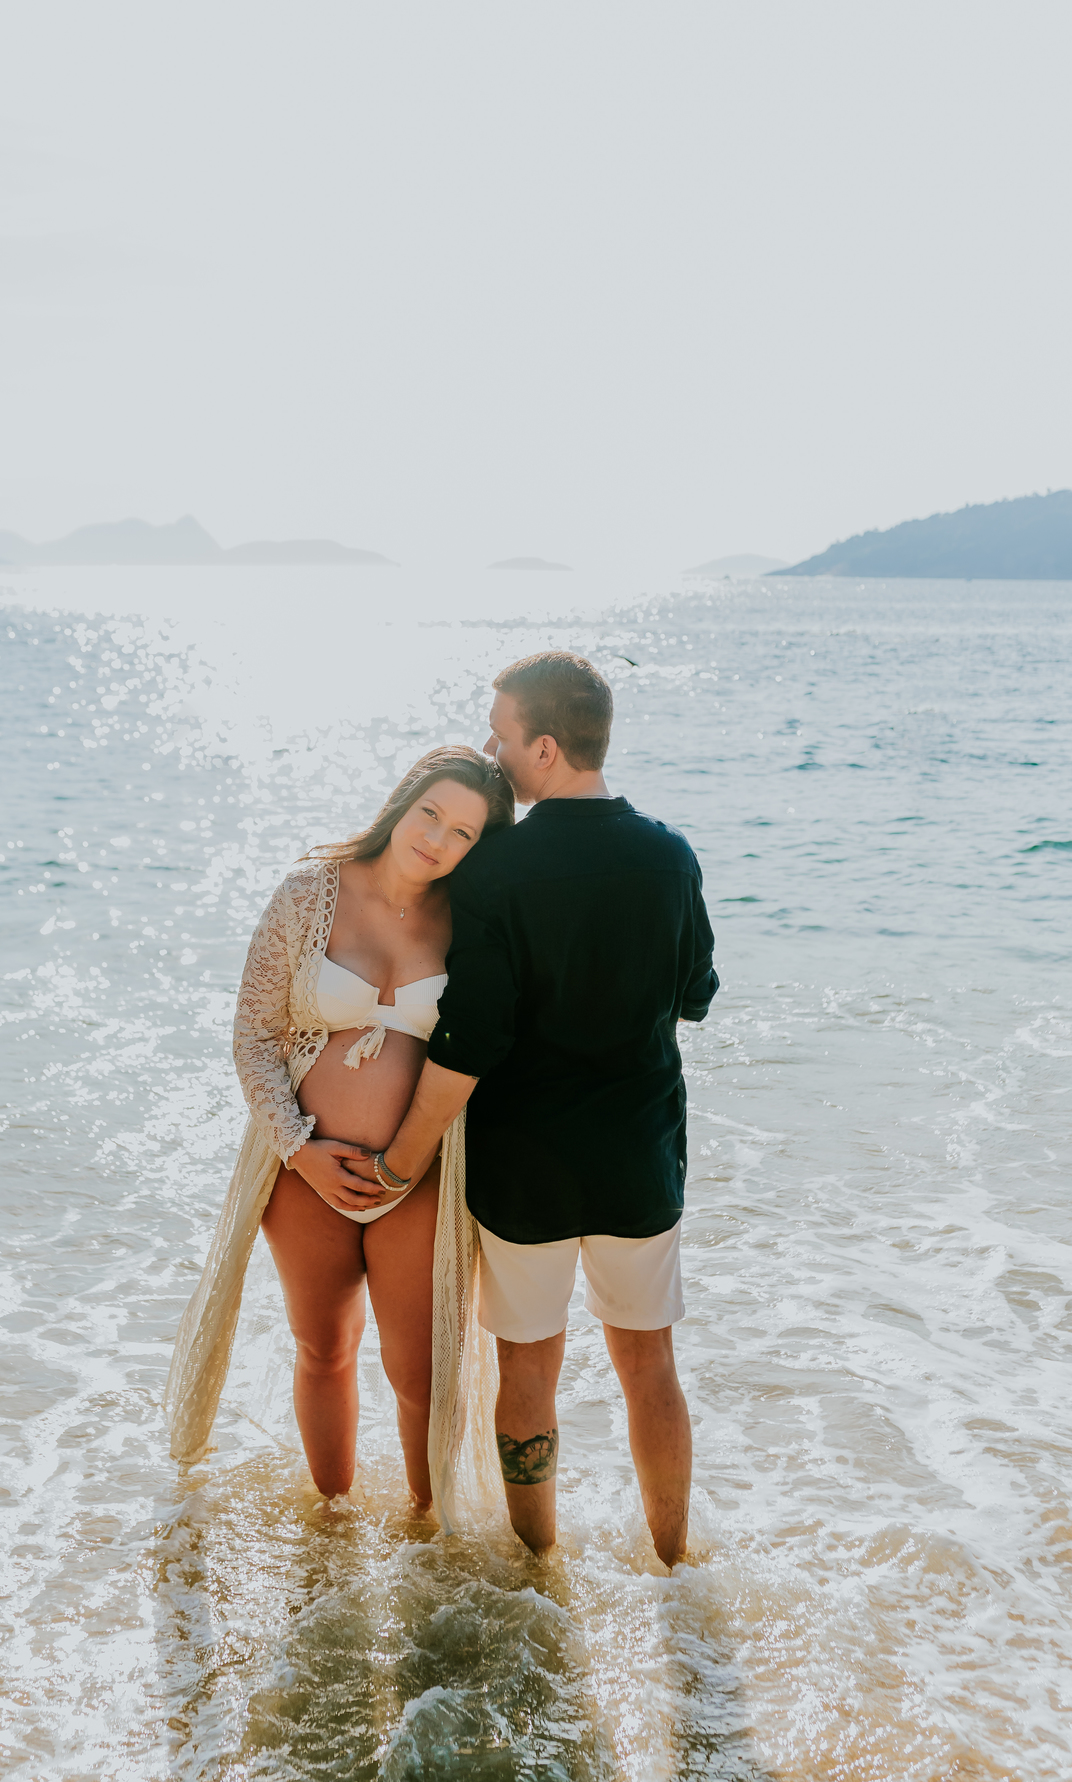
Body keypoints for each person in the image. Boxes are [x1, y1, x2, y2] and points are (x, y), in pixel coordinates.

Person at [344, 651, 718, 1565]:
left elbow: (469, 1044)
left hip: (525, 1170)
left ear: (544, 747)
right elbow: (696, 995)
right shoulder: (670, 856)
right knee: (649, 1366)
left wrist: (398, 1164)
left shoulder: (498, 873)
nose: (492, 750)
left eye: (502, 735)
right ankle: (672, 1560)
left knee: (529, 1369)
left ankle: (541, 1565)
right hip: (638, 1155)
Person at [163, 746, 513, 1510]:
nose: (438, 840)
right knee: (324, 1350)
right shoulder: (307, 892)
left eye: (463, 833)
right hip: (302, 1169)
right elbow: (253, 1038)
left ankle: (429, 1533)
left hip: (416, 1174)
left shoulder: (473, 919)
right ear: (402, 803)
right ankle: (331, 1530)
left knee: (420, 1371)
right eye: (431, 814)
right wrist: (299, 1150)